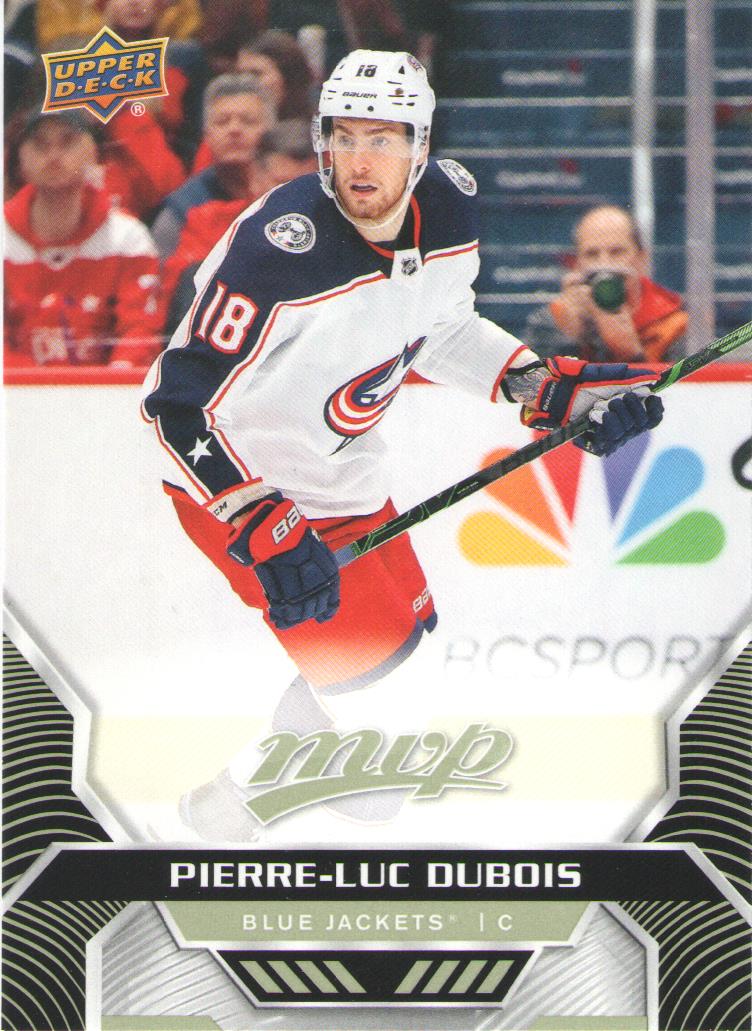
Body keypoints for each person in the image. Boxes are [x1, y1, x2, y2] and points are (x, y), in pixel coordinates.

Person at [141, 51, 664, 837]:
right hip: (246, 497)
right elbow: (175, 405)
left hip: (347, 484)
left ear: (420, 147)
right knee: (384, 741)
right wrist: (255, 514)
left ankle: (219, 811)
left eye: (383, 139)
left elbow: (441, 329)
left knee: (397, 681)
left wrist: (542, 388)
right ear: (321, 142)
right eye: (344, 137)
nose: (360, 161)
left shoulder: (448, 210)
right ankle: (223, 832)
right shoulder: (275, 252)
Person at [5, 111, 162, 369]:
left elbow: (139, 332)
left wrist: (111, 382)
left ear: (94, 153)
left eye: (68, 141)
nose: (53, 155)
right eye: (40, 144)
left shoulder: (127, 237)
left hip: (105, 387)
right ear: (19, 159)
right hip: (17, 388)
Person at [162, 119, 318, 334]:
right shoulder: (209, 223)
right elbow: (184, 307)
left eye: (306, 188)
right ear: (255, 179)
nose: (294, 200)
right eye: (282, 185)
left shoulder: (340, 236)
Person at [524, 205, 689, 363]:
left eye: (617, 252)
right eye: (592, 254)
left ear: (642, 258)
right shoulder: (551, 320)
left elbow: (686, 383)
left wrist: (631, 354)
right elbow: (532, 380)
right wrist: (568, 340)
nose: (604, 264)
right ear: (577, 263)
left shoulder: (677, 325)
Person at [150, 74, 276, 259]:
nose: (234, 130)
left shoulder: (294, 189)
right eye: (222, 121)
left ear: (272, 131)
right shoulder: (181, 210)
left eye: (248, 121)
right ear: (207, 135)